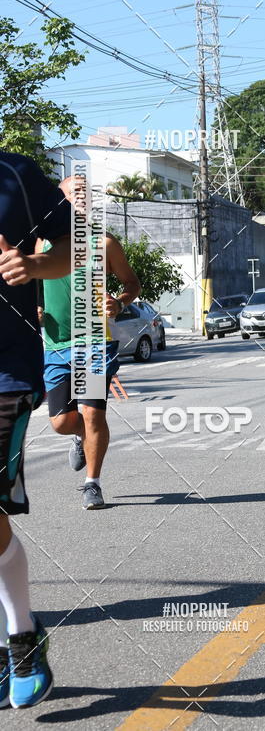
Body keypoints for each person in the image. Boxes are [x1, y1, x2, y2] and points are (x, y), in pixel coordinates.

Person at [0, 152, 72, 708]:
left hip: (5, 370)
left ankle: (22, 637)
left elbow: (73, 250)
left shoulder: (18, 177)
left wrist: (35, 268)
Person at [38, 176, 140, 509]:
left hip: (95, 342)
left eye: (87, 194)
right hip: (56, 343)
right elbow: (28, 282)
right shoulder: (42, 243)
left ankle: (92, 483)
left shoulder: (104, 242)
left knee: (93, 414)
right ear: (60, 200)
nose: (83, 198)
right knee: (61, 422)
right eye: (75, 193)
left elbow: (131, 283)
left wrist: (121, 303)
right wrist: (34, 308)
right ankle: (80, 437)